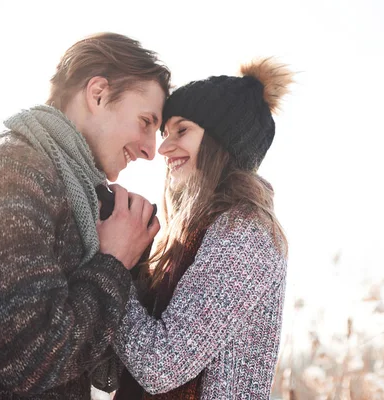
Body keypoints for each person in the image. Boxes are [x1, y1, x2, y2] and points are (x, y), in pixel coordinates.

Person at [0, 32, 169, 399]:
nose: (150, 150)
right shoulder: (12, 172)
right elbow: (29, 358)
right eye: (146, 122)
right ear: (97, 93)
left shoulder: (75, 194)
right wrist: (114, 261)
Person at [113, 58, 294, 399]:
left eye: (182, 131)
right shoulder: (195, 231)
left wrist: (111, 269)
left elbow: (160, 366)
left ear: (222, 142)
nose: (163, 148)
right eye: (165, 133)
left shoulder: (245, 234)